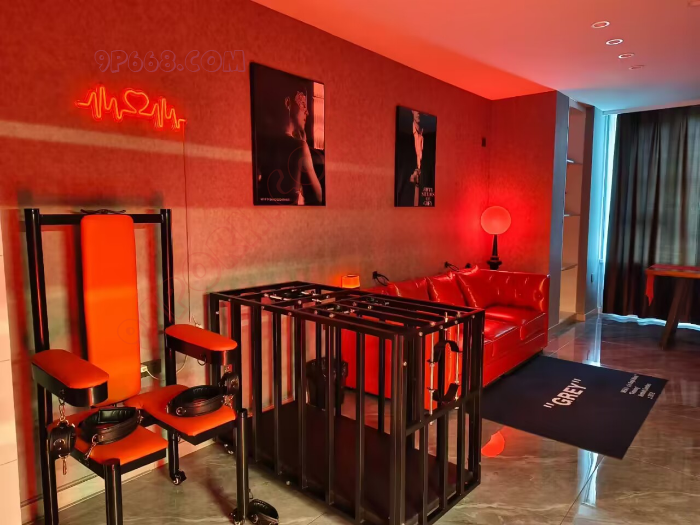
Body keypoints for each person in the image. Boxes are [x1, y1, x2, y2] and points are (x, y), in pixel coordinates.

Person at [255, 73, 323, 205]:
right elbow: (317, 197)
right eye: (303, 104)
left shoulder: (261, 142)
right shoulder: (299, 147)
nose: (307, 112)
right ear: (288, 103)